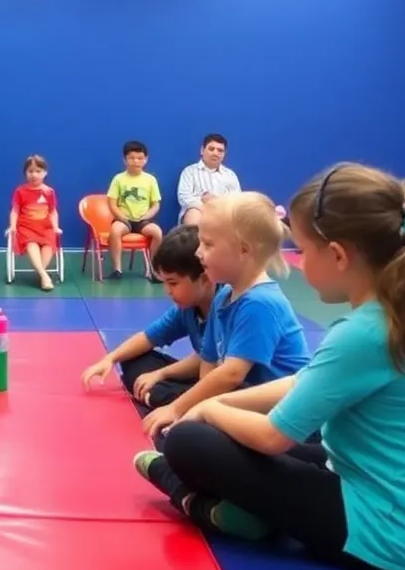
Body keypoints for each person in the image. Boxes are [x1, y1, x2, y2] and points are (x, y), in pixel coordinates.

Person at [135, 164, 405, 570]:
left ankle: (183, 489)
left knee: (190, 441)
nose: (297, 261)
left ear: (337, 255)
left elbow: (272, 437)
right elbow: (305, 381)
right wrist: (220, 399)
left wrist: (206, 411)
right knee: (228, 435)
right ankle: (229, 505)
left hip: (394, 536)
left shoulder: (364, 332)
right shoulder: (398, 313)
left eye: (302, 250)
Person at [141, 192, 309, 440]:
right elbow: (208, 364)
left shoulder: (260, 303)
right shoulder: (224, 295)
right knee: (183, 424)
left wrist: (179, 408)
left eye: (207, 245)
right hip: (238, 396)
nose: (198, 253)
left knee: (187, 440)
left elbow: (231, 374)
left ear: (243, 250)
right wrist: (191, 408)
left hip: (280, 417)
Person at [82, 225, 216, 409]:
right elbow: (148, 337)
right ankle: (169, 399)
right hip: (203, 376)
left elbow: (213, 364)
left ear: (205, 279)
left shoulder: (226, 307)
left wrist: (161, 374)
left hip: (230, 386)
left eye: (173, 283)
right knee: (132, 358)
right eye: (165, 282)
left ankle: (174, 402)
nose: (167, 291)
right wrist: (110, 359)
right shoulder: (188, 308)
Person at [106, 139, 162, 279]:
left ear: (146, 159)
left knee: (157, 233)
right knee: (115, 231)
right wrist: (121, 217)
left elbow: (156, 204)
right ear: (125, 160)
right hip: (123, 219)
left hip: (143, 220)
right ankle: (117, 269)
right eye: (131, 158)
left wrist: (147, 215)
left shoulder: (150, 180)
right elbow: (112, 203)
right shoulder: (118, 179)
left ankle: (153, 269)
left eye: (140, 158)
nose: (136, 161)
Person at [8, 154, 61, 291]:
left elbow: (53, 211)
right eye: (30, 171)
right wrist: (13, 226)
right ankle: (44, 275)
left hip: (45, 227)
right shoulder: (20, 191)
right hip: (26, 226)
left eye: (38, 171)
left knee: (49, 244)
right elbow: (15, 210)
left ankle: (41, 273)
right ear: (25, 173)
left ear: (45, 173)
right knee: (31, 243)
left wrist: (55, 227)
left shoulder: (49, 192)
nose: (34, 175)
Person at [177, 133, 241, 226]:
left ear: (224, 154)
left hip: (222, 214)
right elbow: (184, 198)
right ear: (202, 150)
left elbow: (236, 201)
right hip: (198, 211)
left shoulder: (230, 175)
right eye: (211, 149)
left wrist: (215, 202)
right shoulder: (189, 172)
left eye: (220, 150)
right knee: (193, 213)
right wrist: (205, 206)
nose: (215, 153)